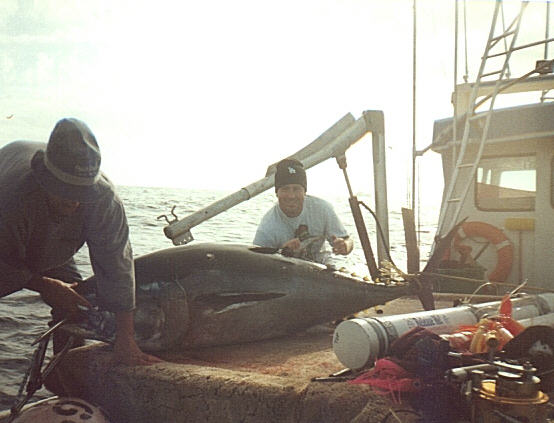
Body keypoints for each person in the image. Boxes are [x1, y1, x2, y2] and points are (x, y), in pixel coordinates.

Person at [0, 118, 160, 366]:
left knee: (76, 304)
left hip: (53, 243)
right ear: (45, 178)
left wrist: (125, 340)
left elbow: (117, 267)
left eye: (82, 193)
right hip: (7, 231)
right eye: (65, 190)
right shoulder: (12, 197)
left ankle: (66, 373)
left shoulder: (104, 200)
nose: (74, 202)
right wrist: (42, 284)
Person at [253, 158, 353, 263]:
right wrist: (282, 252)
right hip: (285, 272)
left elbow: (347, 240)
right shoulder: (267, 227)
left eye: (296, 189)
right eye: (285, 189)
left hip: (322, 269)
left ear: (304, 192)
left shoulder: (322, 209)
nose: (291, 196)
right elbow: (258, 263)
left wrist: (344, 246)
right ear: (277, 193)